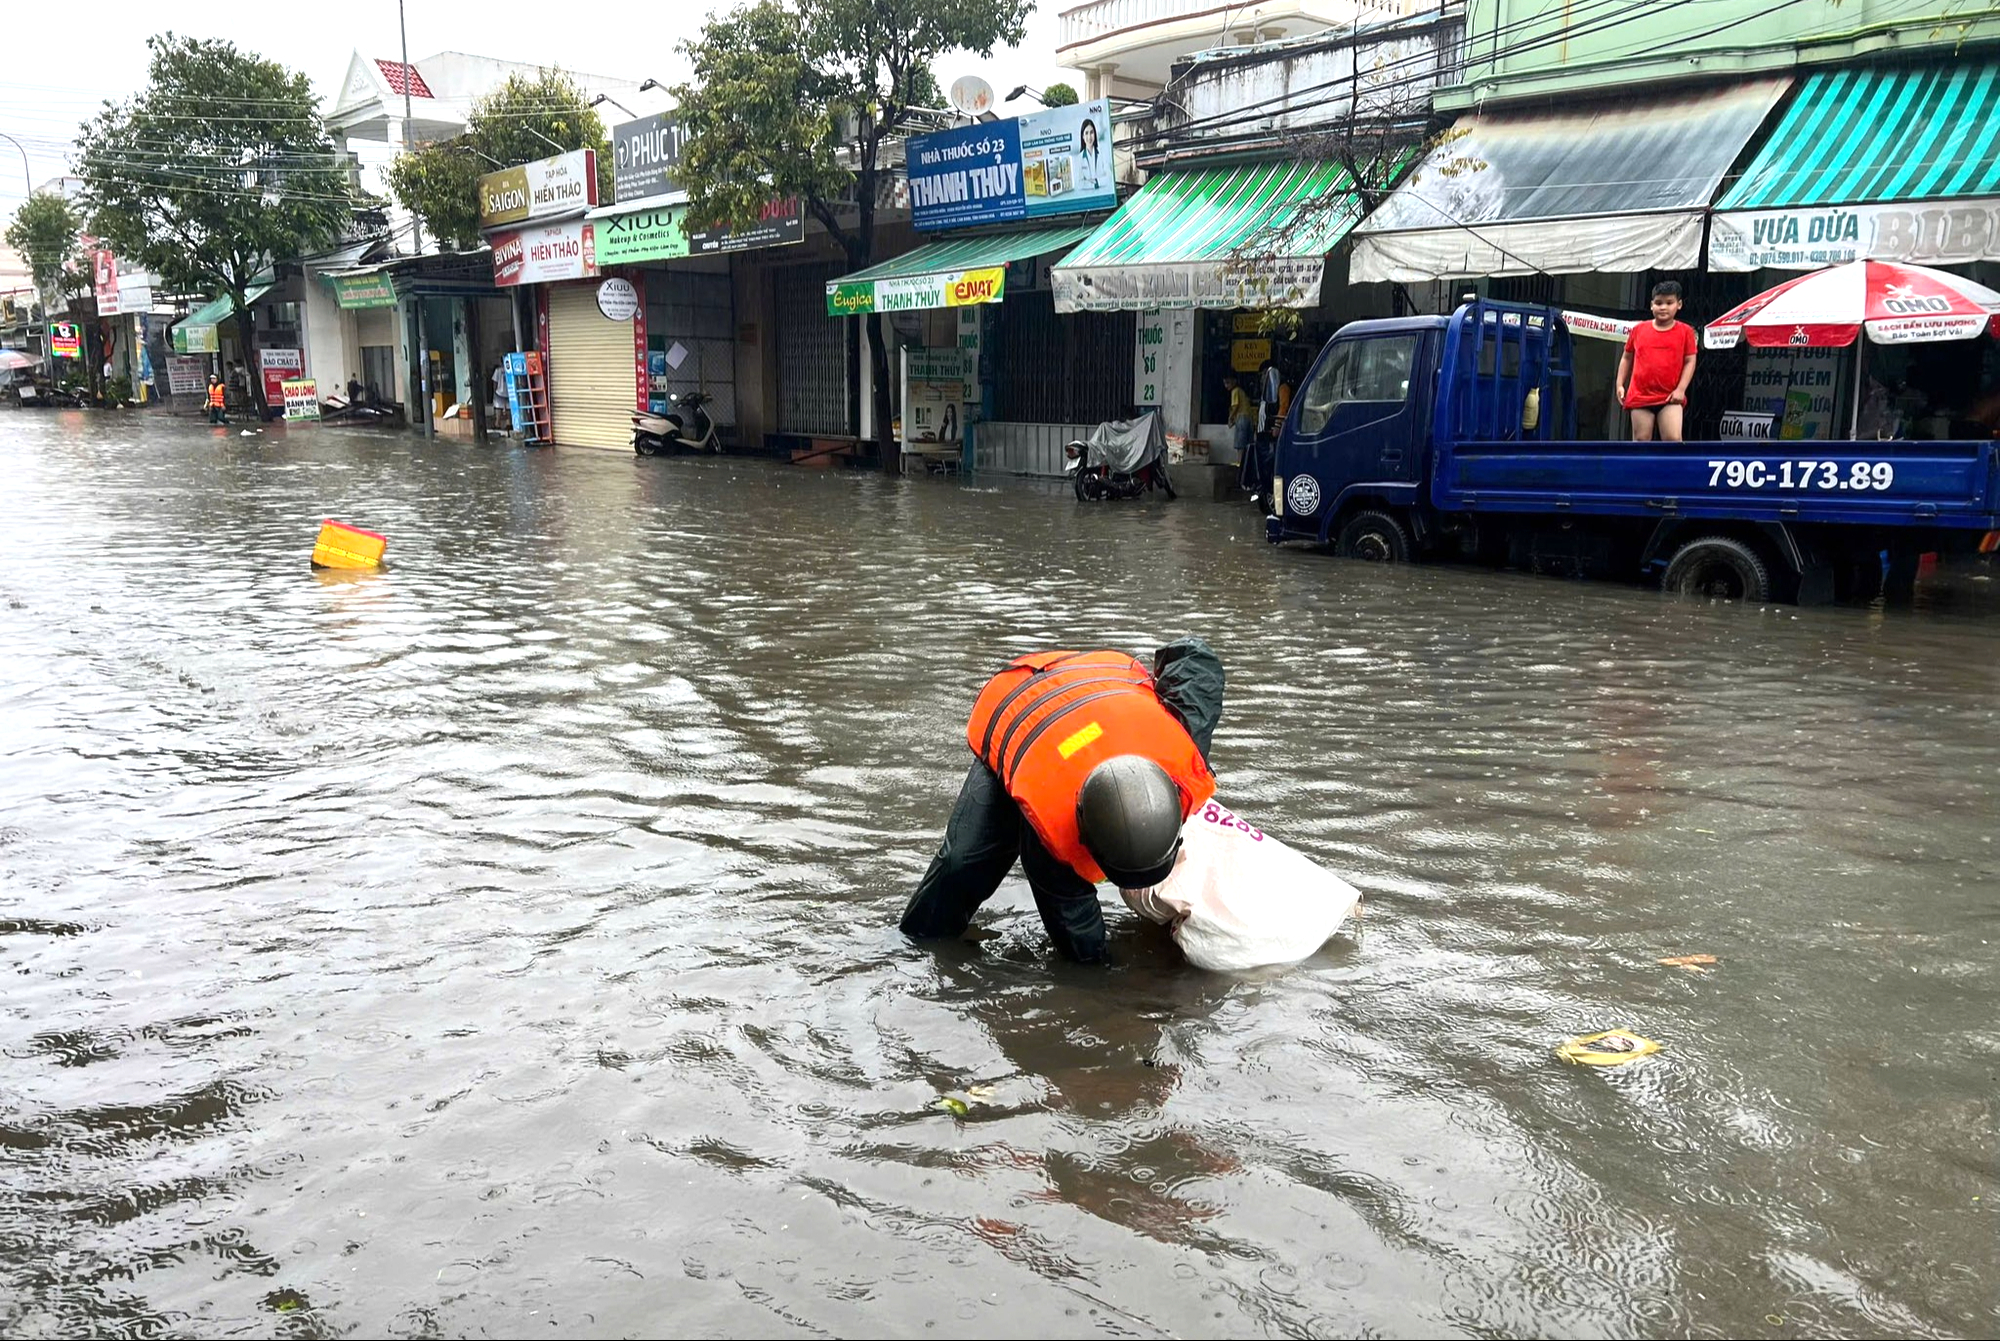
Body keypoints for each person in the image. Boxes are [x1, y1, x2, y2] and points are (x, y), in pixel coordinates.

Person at [900, 639, 1226, 965]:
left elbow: (1195, 658)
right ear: (1084, 834)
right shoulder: (1052, 830)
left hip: (1099, 688)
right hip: (1023, 704)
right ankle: (916, 949)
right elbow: (1074, 927)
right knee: (964, 865)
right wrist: (1104, 983)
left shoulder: (1184, 753)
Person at [1616, 280, 1698, 442]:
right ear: (1651, 305)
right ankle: (1640, 469)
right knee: (1641, 440)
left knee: (1673, 439)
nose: (1663, 307)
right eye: (1659, 303)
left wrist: (1681, 389)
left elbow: (1690, 361)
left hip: (1670, 396)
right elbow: (1626, 357)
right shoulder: (1639, 330)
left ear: (1679, 304)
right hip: (1640, 396)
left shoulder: (1685, 332)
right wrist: (1619, 384)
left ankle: (1673, 469)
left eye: (1669, 303)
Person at [1073, 116, 1106, 193]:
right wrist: (1097, 183)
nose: (1089, 137)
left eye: (1091, 132)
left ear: (1095, 134)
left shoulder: (1102, 154)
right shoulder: (1079, 158)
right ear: (1083, 136)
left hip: (1103, 194)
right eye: (1086, 133)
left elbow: (1108, 178)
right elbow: (1080, 184)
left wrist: (1094, 182)